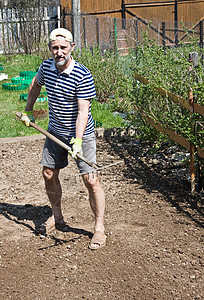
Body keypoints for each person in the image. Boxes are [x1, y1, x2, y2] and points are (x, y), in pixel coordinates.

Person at [21, 28, 106, 250]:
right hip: (55, 130)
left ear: (72, 48)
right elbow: (35, 85)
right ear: (50, 49)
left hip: (81, 134)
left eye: (63, 48)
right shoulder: (46, 67)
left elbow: (82, 112)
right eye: (55, 48)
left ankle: (99, 228)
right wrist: (28, 110)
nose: (59, 52)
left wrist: (77, 142)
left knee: (91, 180)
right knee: (48, 172)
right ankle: (57, 218)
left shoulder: (82, 74)